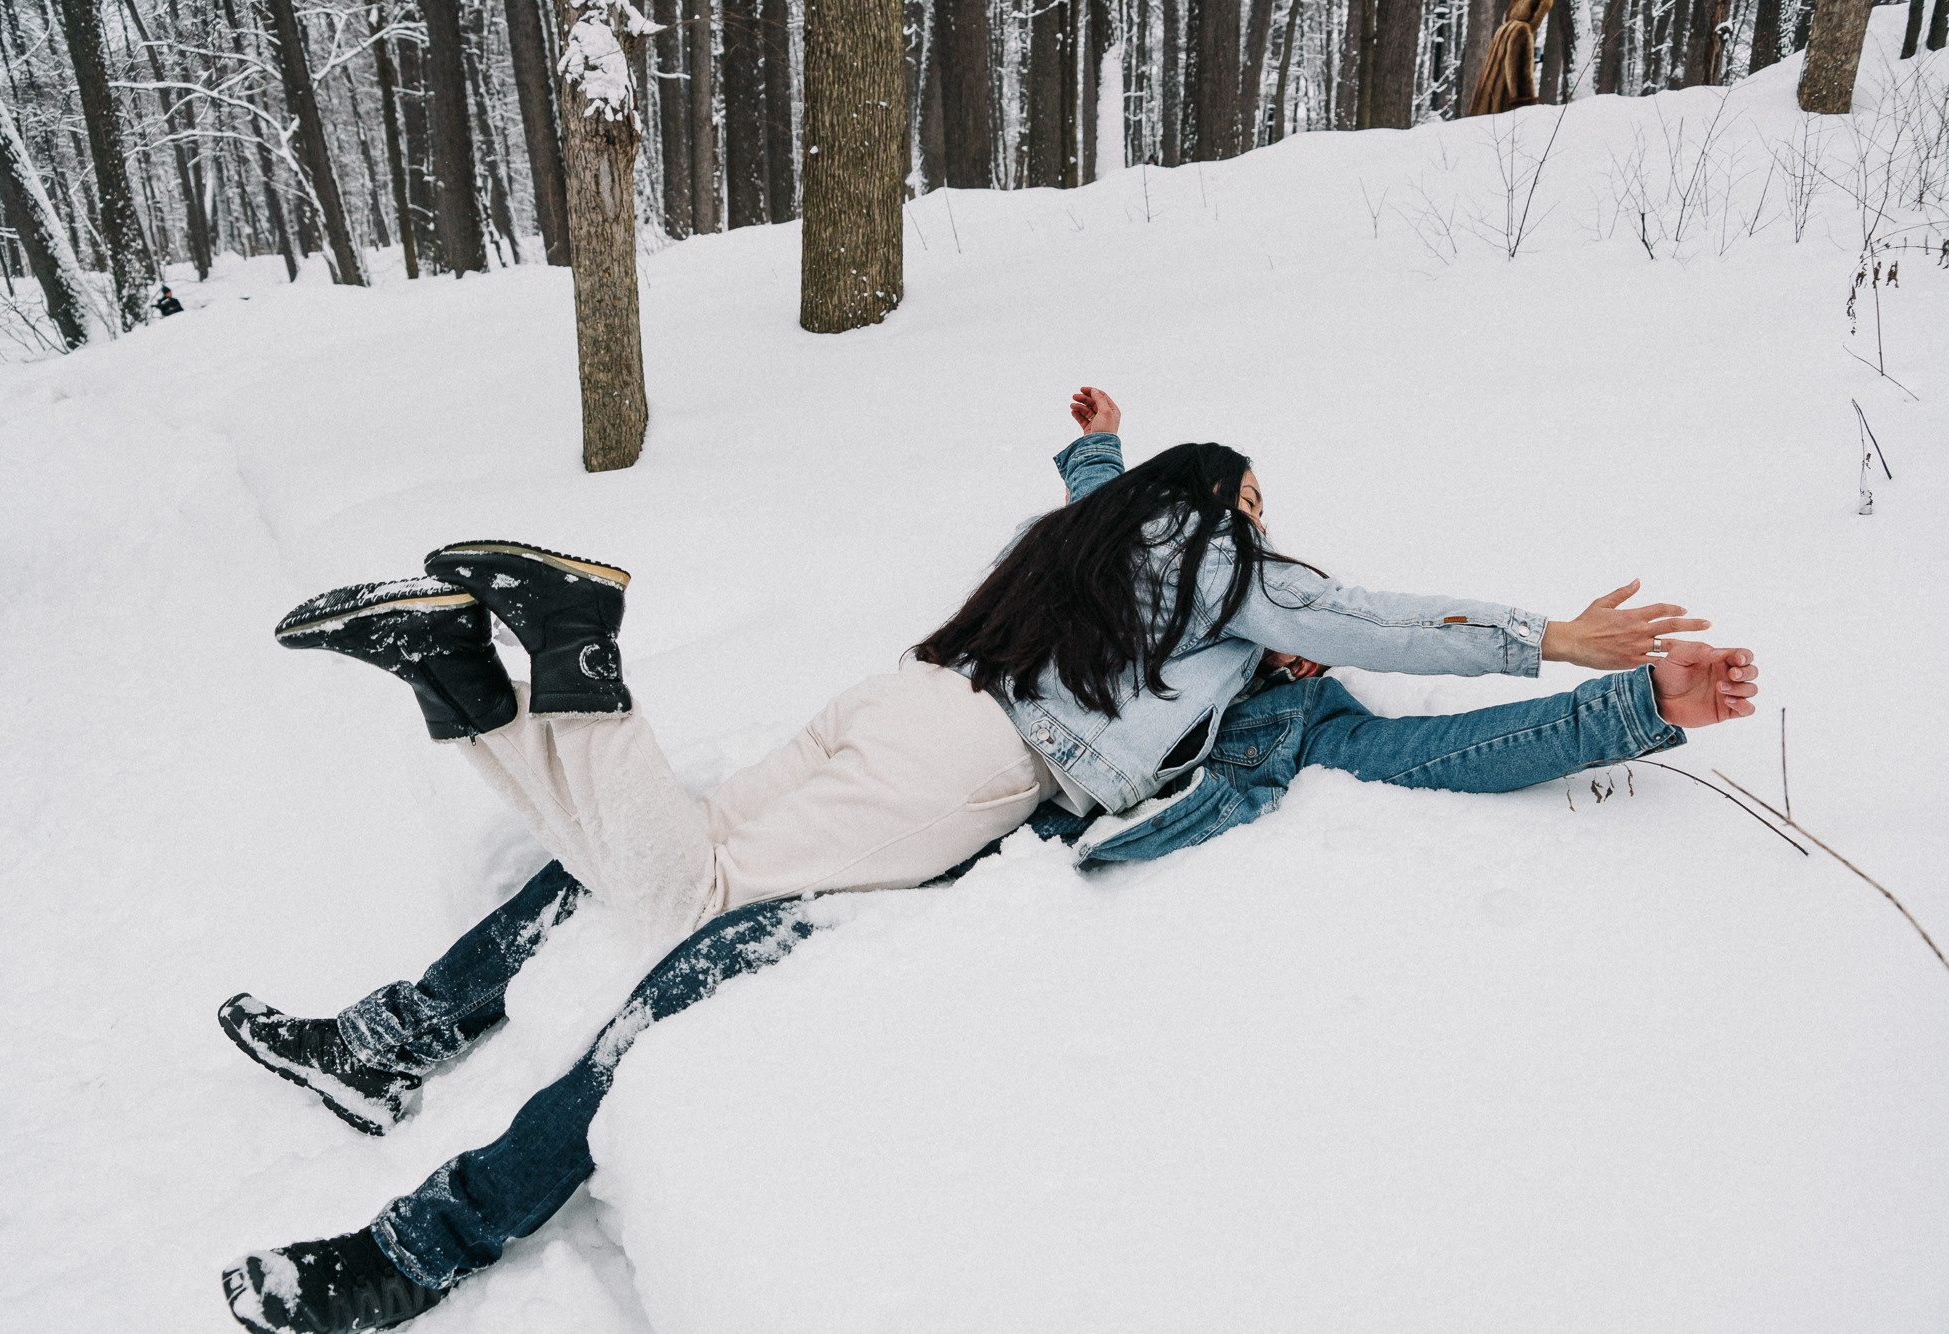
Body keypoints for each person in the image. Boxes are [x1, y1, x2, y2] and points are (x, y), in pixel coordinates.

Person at [220, 387, 1758, 1333]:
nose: (1294, 584)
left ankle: (405, 962)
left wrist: (1094, 442)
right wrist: (1561, 647)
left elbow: (1427, 744)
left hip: (910, 692)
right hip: (956, 774)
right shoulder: (1242, 589)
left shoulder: (1155, 594)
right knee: (670, 947)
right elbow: (1371, 633)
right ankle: (413, 1241)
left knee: (610, 867)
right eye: (1269, 534)